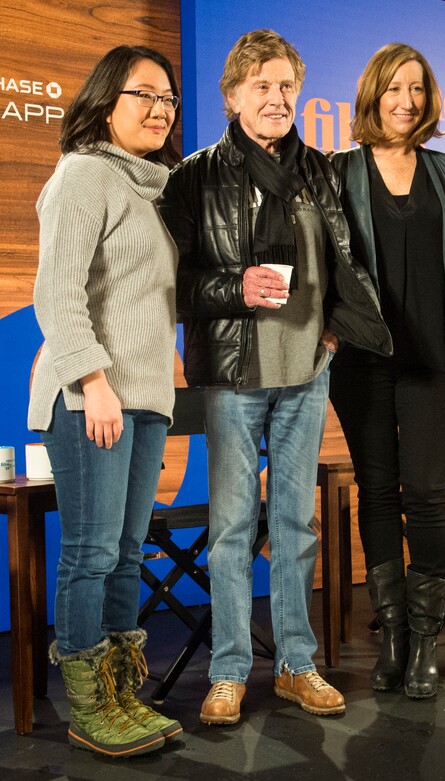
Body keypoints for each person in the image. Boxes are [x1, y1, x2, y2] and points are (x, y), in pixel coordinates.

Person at [159, 29, 391, 725]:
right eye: (261, 85)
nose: (277, 98)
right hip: (234, 373)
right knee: (233, 526)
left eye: (287, 85)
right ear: (232, 96)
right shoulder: (193, 176)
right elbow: (171, 283)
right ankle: (229, 671)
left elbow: (346, 262)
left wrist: (332, 333)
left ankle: (296, 664)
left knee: (295, 522)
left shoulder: (322, 171)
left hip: (307, 371)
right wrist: (236, 286)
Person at [28, 45, 184, 757]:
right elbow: (56, 294)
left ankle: (122, 694)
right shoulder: (84, 173)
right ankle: (88, 706)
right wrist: (94, 382)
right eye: (143, 94)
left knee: (125, 552)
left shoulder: (153, 188)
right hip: (89, 394)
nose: (160, 108)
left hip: (144, 397)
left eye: (168, 98)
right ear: (104, 99)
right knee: (90, 553)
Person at [330, 44, 445, 699]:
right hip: (361, 359)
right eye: (394, 88)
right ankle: (393, 637)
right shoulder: (338, 171)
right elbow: (317, 259)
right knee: (377, 491)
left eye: (416, 89)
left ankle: (427, 642)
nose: (406, 101)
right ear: (373, 94)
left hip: (435, 358)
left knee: (426, 492)